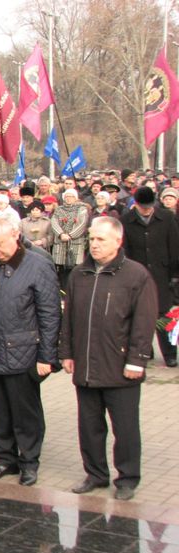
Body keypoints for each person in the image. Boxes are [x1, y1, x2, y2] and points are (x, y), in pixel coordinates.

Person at [59, 217, 158, 501]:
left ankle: (127, 478)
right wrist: (66, 353)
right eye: (91, 239)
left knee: (125, 428)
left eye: (101, 239)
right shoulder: (79, 274)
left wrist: (137, 360)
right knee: (89, 426)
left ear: (118, 240)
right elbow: (69, 319)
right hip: (87, 365)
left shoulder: (135, 275)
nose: (95, 244)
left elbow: (144, 321)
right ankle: (96, 474)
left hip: (120, 367)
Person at [0, 218, 61, 486]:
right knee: (0, 411)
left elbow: (50, 314)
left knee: (25, 412)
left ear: (16, 236)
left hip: (24, 352)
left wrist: (47, 357)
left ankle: (29, 461)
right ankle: (5, 458)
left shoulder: (37, 265)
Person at [122, 186, 179, 367]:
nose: (146, 210)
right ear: (136, 205)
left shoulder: (167, 218)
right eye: (143, 207)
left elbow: (174, 246)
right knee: (140, 315)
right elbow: (125, 250)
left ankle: (170, 353)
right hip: (137, 275)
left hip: (162, 275)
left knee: (164, 315)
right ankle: (145, 351)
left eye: (149, 206)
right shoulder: (127, 221)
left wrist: (175, 275)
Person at [51, 188, 89, 290]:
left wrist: (71, 235)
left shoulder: (81, 209)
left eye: (71, 196)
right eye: (67, 196)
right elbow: (54, 222)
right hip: (61, 243)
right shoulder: (59, 209)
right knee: (62, 270)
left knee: (75, 269)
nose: (68, 198)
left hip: (75, 243)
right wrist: (60, 234)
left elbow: (82, 224)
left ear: (75, 198)